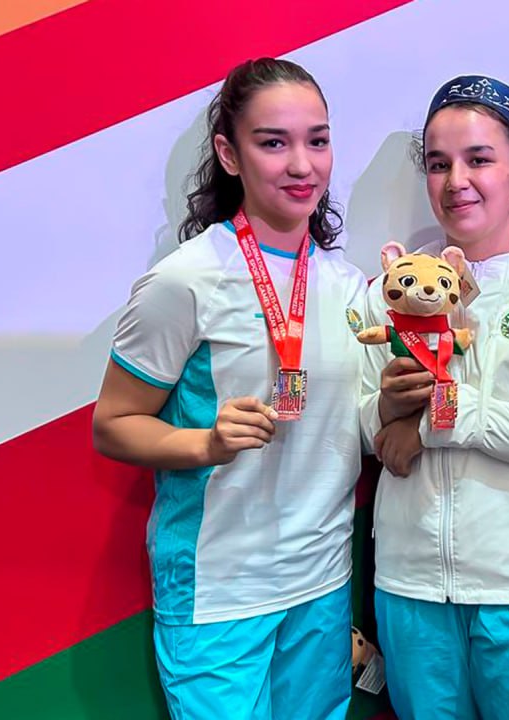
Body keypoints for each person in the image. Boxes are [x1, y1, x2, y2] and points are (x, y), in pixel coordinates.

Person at [92, 58, 366, 720]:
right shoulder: (185, 280)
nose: (302, 164)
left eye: (318, 140)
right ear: (229, 154)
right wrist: (205, 444)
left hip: (322, 585)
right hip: (219, 593)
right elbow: (113, 424)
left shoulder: (351, 285)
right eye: (273, 142)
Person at [359, 75, 509, 719]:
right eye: (439, 163)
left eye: (479, 160)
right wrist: (385, 410)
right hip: (409, 584)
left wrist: (434, 420)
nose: (456, 181)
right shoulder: (388, 290)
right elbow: (364, 429)